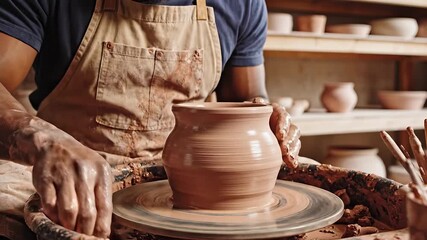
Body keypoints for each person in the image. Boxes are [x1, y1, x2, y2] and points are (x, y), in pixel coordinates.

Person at [0, 0, 301, 238]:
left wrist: (264, 116)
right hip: (73, 167)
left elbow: (247, 99)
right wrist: (37, 138)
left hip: (186, 174)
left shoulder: (240, 4)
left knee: (304, 184)